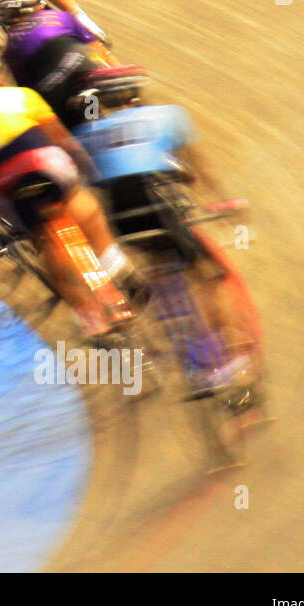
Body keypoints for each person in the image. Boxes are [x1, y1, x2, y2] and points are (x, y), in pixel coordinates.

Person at [68, 67, 253, 395]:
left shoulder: (87, 133)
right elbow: (197, 169)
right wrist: (223, 203)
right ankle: (215, 365)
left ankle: (172, 348)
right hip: (157, 206)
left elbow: (94, 179)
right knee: (208, 276)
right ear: (135, 94)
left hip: (122, 219)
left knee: (160, 268)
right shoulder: (167, 116)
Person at [0, 51, 142, 335]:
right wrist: (86, 168)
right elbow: (60, 138)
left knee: (44, 240)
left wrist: (5, 214)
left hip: (5, 181)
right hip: (45, 163)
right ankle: (117, 266)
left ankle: (92, 320)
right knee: (82, 204)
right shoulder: (20, 95)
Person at [0, 0, 115, 127]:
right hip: (84, 63)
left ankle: (91, 124)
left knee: (74, 124)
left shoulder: (9, 49)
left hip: (54, 86)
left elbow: (28, 92)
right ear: (37, 7)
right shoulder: (60, 16)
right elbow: (97, 47)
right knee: (113, 93)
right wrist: (117, 71)